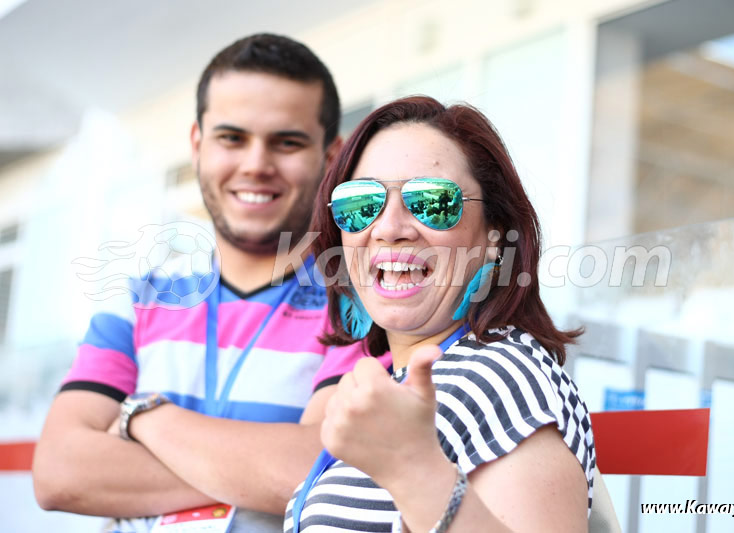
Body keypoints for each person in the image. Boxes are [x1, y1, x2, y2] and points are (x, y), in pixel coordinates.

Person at [32, 33, 385, 532]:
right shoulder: (137, 298)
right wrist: (258, 466)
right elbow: (58, 472)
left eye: (287, 142)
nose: (255, 164)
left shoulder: (363, 301)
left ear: (332, 155)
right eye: (231, 138)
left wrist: (142, 417)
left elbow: (319, 469)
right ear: (197, 145)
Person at [284, 96, 595, 532]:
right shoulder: (402, 381)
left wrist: (414, 470)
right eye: (359, 204)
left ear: (493, 237)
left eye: (433, 201)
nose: (389, 228)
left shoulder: (504, 375)